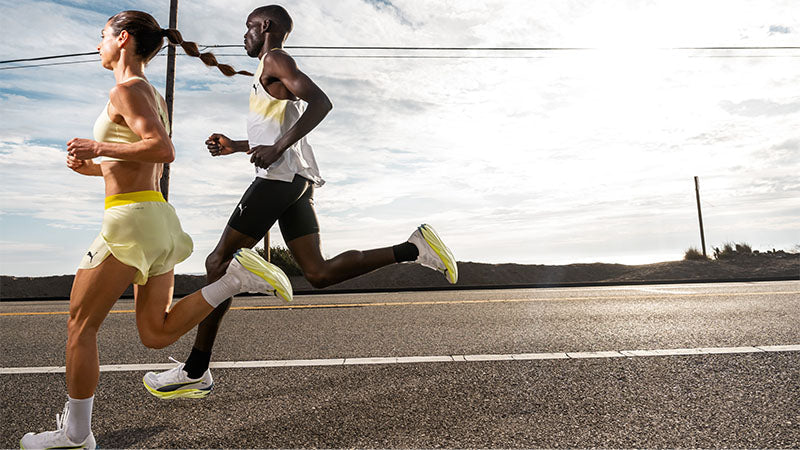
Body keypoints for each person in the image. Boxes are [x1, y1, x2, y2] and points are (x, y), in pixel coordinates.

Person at [142, 5, 458, 399]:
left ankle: (195, 370)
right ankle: (413, 247)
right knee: (319, 273)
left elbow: (321, 103)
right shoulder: (265, 70)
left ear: (266, 27)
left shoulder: (275, 59)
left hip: (279, 180)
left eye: (248, 28)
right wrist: (237, 146)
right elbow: (281, 125)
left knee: (218, 263)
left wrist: (275, 148)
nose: (244, 36)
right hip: (294, 181)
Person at [20, 11, 291, 450]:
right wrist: (91, 166)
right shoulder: (149, 95)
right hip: (156, 217)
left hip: (128, 222)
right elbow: (137, 160)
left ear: (122, 39)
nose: (97, 44)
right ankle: (236, 279)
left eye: (101, 36)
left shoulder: (126, 89)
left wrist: (97, 145)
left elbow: (163, 150)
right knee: (156, 332)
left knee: (79, 328)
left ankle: (75, 435)